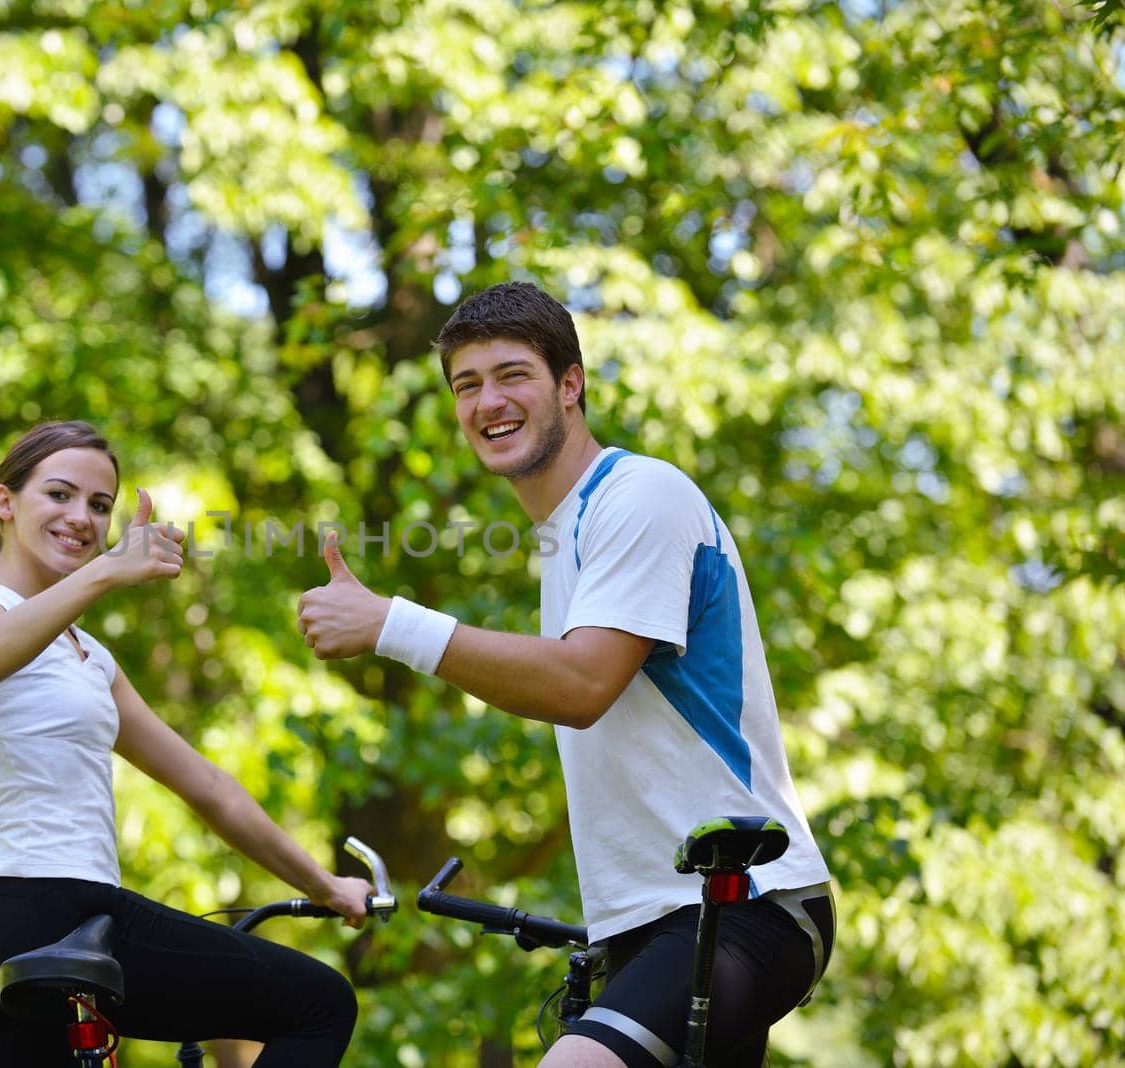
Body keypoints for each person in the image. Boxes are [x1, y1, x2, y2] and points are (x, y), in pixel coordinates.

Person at [296, 282, 834, 1068]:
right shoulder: (565, 536)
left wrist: (390, 624)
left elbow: (581, 686)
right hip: (648, 918)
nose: (488, 402)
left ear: (569, 384)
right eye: (466, 384)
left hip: (745, 899)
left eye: (512, 374)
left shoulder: (639, 497)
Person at [0, 420, 371, 1067]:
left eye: (100, 505)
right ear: (5, 502)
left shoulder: (88, 657)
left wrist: (325, 884)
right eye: (59, 494)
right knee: (321, 1004)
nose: (81, 516)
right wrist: (108, 572)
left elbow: (208, 787)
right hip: (43, 908)